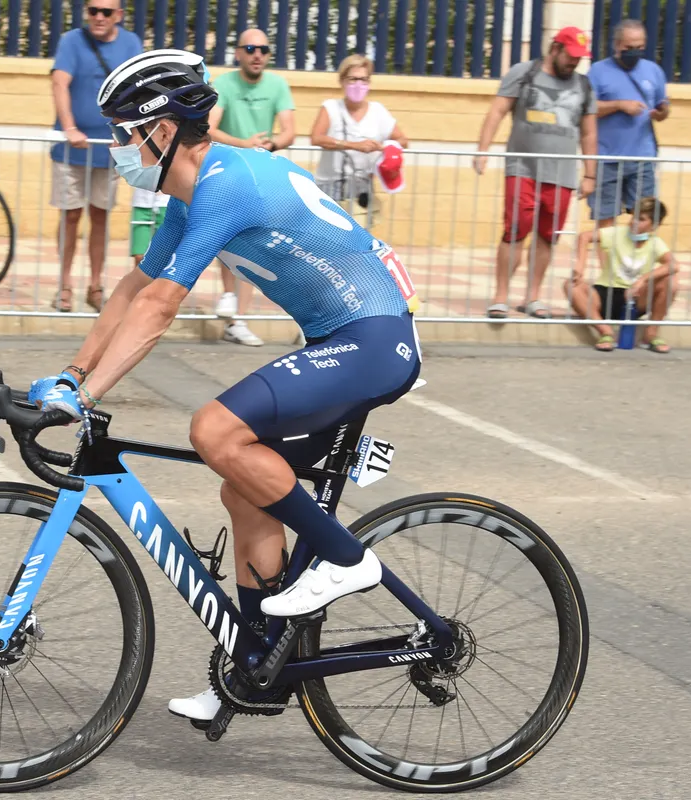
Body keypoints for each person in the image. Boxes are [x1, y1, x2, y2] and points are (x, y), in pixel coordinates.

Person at [26, 49, 422, 726]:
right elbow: (134, 289)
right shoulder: (188, 193)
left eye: (125, 132)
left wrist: (86, 399)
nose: (119, 148)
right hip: (340, 340)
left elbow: (159, 310)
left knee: (213, 430)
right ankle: (256, 666)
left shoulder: (226, 184)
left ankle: (347, 558)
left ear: (163, 130)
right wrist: (72, 372)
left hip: (374, 338)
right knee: (244, 487)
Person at [474, 26, 598, 320]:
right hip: (523, 169)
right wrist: (482, 150)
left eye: (579, 58)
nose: (574, 63)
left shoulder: (584, 86)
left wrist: (590, 174)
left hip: (563, 175)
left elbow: (590, 133)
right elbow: (497, 111)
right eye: (571, 55)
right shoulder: (524, 73)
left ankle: (533, 297)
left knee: (547, 236)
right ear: (555, 49)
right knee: (514, 230)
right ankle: (501, 296)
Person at [49, 0, 143, 313]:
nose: (98, 17)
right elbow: (60, 82)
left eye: (105, 12)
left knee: (100, 215)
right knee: (70, 214)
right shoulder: (72, 40)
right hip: (72, 147)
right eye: (93, 11)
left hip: (109, 146)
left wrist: (130, 135)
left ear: (119, 14)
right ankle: (63, 285)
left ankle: (95, 284)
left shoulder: (131, 43)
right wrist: (69, 127)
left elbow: (137, 91)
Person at [206, 28, 297, 346]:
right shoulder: (224, 83)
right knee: (226, 237)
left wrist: (269, 144)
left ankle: (238, 318)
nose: (258, 54)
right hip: (228, 171)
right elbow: (209, 128)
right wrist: (244, 144)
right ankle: (230, 300)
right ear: (239, 54)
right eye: (250, 48)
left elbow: (289, 132)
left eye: (264, 49)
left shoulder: (278, 84)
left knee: (254, 242)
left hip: (264, 174)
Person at [311, 54, 410, 230]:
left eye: (364, 80)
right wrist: (353, 145)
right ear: (342, 81)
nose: (359, 85)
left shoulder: (378, 111)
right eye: (353, 79)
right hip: (330, 188)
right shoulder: (331, 108)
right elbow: (317, 138)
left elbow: (402, 140)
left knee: (355, 245)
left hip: (361, 190)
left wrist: (385, 148)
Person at [587, 19, 670, 228]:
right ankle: (609, 262)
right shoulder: (597, 72)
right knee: (605, 219)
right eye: (629, 48)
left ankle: (636, 260)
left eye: (640, 47)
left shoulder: (653, 71)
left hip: (642, 157)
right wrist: (618, 105)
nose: (635, 51)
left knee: (645, 218)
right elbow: (587, 109)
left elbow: (663, 106)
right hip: (606, 158)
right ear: (617, 45)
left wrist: (662, 112)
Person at [566, 197, 676, 352]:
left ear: (654, 225)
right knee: (571, 285)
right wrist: (580, 265)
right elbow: (584, 237)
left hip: (634, 299)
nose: (634, 222)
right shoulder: (617, 233)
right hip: (605, 293)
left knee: (670, 281)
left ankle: (651, 334)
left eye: (642, 219)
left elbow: (673, 264)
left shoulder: (655, 242)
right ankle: (605, 332)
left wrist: (643, 280)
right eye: (634, 217)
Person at [129, 187, 170, 269]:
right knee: (140, 256)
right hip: (141, 203)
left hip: (167, 203)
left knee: (164, 257)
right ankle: (140, 281)